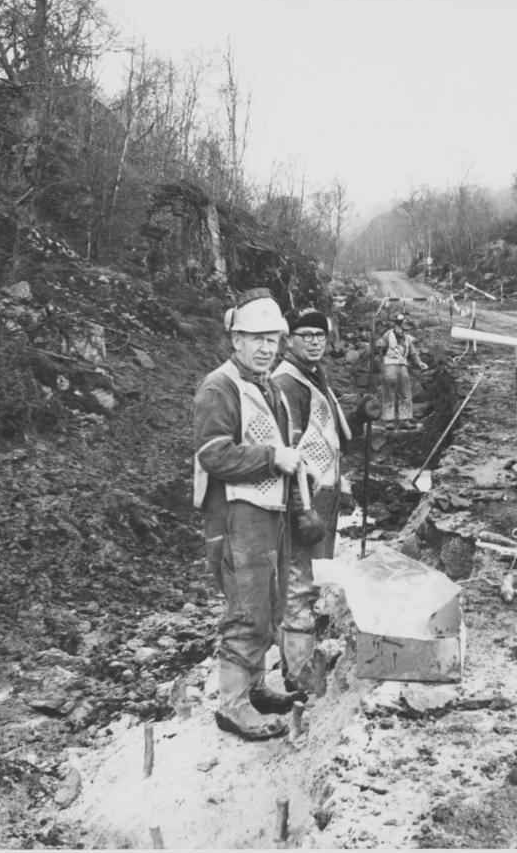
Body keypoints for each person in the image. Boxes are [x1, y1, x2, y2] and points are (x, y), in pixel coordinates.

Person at [192, 289, 307, 740]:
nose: (266, 348)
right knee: (247, 609)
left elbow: (277, 444)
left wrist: (298, 468)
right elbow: (212, 454)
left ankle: (256, 688)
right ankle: (233, 706)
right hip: (235, 515)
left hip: (267, 509)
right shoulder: (218, 386)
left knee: (270, 604)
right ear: (235, 341)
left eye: (272, 339)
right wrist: (271, 459)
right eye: (255, 339)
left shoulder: (268, 384)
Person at [270, 307, 380, 695]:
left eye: (320, 334)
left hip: (323, 497)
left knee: (311, 581)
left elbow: (330, 438)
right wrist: (302, 510)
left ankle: (298, 664)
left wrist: (359, 416)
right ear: (289, 340)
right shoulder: (287, 384)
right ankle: (298, 677)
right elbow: (287, 454)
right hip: (305, 501)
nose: (315, 341)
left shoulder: (315, 378)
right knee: (300, 585)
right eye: (306, 335)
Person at [376, 313, 427, 429]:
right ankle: (389, 420)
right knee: (389, 394)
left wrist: (419, 363)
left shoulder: (407, 339)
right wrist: (379, 346)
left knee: (406, 394)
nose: (401, 331)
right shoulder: (387, 336)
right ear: (395, 326)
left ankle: (405, 420)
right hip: (389, 366)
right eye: (400, 328)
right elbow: (379, 346)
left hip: (402, 367)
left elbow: (413, 353)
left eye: (404, 329)